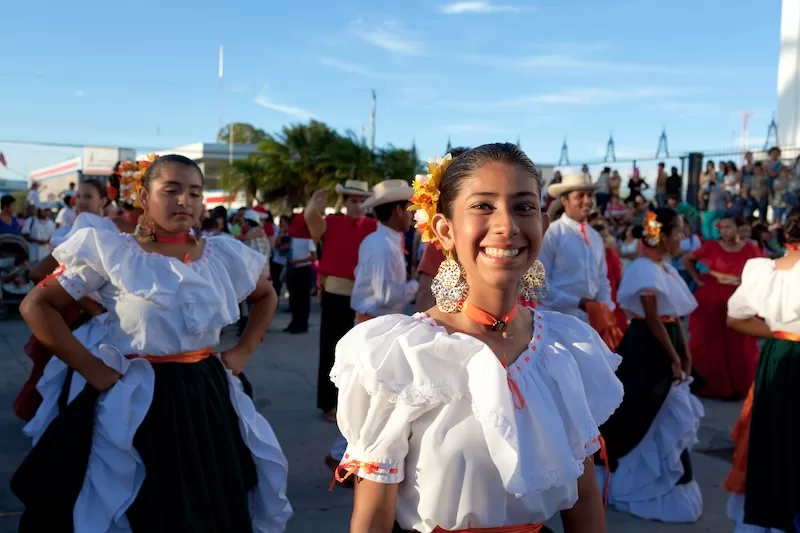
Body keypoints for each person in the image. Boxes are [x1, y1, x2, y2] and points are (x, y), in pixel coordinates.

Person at [331, 143, 623, 533]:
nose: (507, 225)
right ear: (445, 230)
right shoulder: (402, 358)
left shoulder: (563, 348)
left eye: (524, 207)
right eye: (483, 206)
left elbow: (584, 496)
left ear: (542, 225)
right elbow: (372, 518)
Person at [11, 154, 292, 532]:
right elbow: (37, 305)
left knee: (208, 496)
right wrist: (92, 368)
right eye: (171, 190)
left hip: (205, 392)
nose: (184, 202)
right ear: (144, 196)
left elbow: (266, 296)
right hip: (138, 396)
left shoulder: (221, 254)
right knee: (144, 501)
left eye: (194, 193)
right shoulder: (115, 252)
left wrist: (241, 352)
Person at [596, 207, 703, 523]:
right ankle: (632, 482)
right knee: (642, 410)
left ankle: (663, 484)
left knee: (663, 410)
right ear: (664, 235)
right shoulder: (644, 269)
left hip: (665, 338)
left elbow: (673, 318)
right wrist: (673, 355)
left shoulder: (664, 268)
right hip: (647, 345)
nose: (682, 238)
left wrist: (684, 352)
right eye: (678, 232)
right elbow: (653, 319)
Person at [326, 179, 419, 480]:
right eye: (408, 208)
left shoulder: (382, 242)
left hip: (377, 325)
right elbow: (384, 296)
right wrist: (419, 284)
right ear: (395, 211)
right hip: (376, 327)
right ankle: (340, 457)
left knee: (372, 401)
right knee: (372, 400)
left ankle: (342, 457)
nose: (412, 214)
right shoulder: (383, 246)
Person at [723, 205, 800, 532]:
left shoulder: (765, 270)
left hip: (777, 355)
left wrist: (782, 332)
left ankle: (771, 514)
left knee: (772, 436)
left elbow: (735, 318)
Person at [14, 179, 113, 422]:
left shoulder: (101, 227)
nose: (80, 201)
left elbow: (40, 272)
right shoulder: (84, 226)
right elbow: (39, 272)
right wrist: (87, 303)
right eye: (79, 196)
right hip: (78, 314)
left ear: (104, 200)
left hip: (85, 314)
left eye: (88, 196)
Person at [289, 180, 376, 422]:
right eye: (352, 201)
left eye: (361, 201)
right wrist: (313, 206)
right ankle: (329, 403)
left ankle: (358, 405)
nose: (357, 206)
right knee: (332, 349)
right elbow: (298, 229)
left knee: (364, 352)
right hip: (336, 293)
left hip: (366, 296)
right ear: (345, 203)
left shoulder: (374, 226)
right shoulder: (332, 223)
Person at [682, 215, 762, 400]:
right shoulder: (711, 246)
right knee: (712, 340)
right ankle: (712, 384)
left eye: (728, 227)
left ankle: (737, 385)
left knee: (738, 341)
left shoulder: (751, 247)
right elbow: (688, 259)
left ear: (738, 228)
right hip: (712, 296)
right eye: (721, 228)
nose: (724, 231)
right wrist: (696, 279)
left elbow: (761, 269)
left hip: (739, 294)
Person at [539, 174, 620, 350]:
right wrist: (580, 303)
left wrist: (605, 308)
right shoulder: (552, 234)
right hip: (557, 324)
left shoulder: (595, 236)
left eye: (589, 195)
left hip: (591, 324)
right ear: (564, 200)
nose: (587, 201)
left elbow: (602, 279)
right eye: (579, 196)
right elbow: (539, 285)